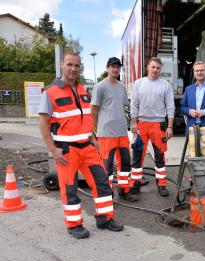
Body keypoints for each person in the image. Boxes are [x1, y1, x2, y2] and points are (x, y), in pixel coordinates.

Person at [39, 52, 124, 239]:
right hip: (66, 150)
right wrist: (53, 149)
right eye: (69, 64)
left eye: (77, 65)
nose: (73, 69)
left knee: (102, 183)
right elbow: (43, 122)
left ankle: (105, 218)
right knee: (70, 188)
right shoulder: (51, 92)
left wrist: (93, 137)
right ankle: (74, 224)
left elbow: (86, 117)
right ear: (62, 65)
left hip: (87, 147)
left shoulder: (83, 90)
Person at [91, 57, 137, 202]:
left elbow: (123, 107)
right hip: (106, 134)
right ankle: (107, 194)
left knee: (125, 164)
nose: (115, 69)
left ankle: (124, 191)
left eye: (117, 67)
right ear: (107, 68)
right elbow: (94, 110)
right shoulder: (100, 87)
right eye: (112, 67)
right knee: (107, 167)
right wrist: (95, 130)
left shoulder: (121, 87)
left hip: (122, 133)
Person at [130, 57, 175, 197]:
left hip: (159, 124)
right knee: (137, 156)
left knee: (160, 156)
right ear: (148, 67)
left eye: (158, 68)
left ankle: (161, 184)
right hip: (141, 124)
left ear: (160, 69)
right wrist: (133, 122)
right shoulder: (138, 83)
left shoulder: (165, 85)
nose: (155, 70)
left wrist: (170, 126)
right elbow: (134, 104)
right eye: (153, 67)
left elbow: (170, 106)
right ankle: (135, 185)